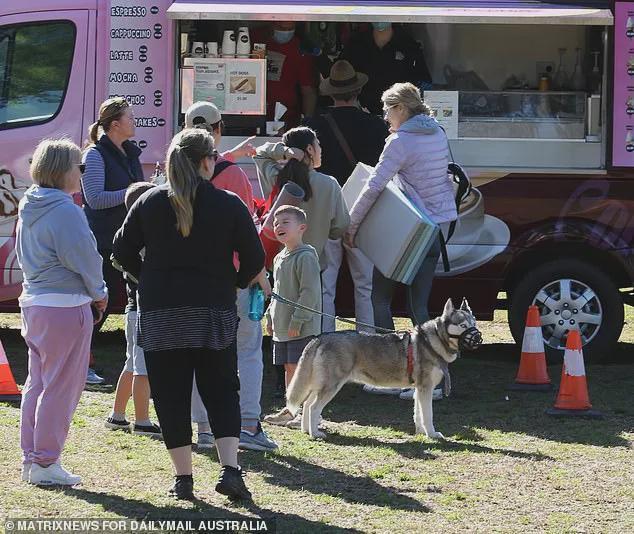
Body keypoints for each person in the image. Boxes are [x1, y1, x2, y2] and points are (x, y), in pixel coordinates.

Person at [113, 128, 263, 501]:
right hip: (213, 310)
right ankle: (230, 469)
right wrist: (235, 282)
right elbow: (256, 259)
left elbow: (120, 251)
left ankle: (184, 478)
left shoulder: (148, 202)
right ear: (207, 161)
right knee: (222, 389)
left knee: (171, 394)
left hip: (163, 312)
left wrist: (145, 278)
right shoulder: (229, 204)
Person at [344, 82, 457, 399]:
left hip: (407, 233)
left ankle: (387, 375)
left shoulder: (400, 142)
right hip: (434, 231)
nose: (384, 117)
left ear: (401, 110)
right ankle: (434, 380)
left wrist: (351, 226)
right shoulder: (437, 132)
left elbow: (374, 186)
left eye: (387, 110)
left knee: (380, 299)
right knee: (419, 306)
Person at [183, 102, 277, 453]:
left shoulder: (173, 174)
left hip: (191, 280)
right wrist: (258, 272)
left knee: (199, 354)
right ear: (218, 129)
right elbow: (249, 230)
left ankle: (205, 427)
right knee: (247, 351)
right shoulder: (234, 176)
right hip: (234, 276)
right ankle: (249, 425)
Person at [16, 139, 108, 486]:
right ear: (62, 170)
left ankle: (34, 459)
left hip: (36, 303)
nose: (82, 174)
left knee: (37, 384)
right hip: (65, 306)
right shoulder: (65, 209)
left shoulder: (30, 202)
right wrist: (99, 293)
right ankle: (45, 462)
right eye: (78, 167)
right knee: (59, 388)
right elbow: (84, 257)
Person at [306, 60, 390, 333]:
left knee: (326, 284)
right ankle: (366, 342)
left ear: (330, 93)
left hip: (325, 210)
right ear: (357, 92)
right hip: (362, 210)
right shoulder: (376, 126)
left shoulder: (313, 126)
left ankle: (326, 340)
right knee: (364, 285)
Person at [82, 97, 144, 385]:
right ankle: (80, 364)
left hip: (130, 240)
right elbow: (94, 199)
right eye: (130, 117)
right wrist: (132, 191)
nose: (134, 121)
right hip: (104, 241)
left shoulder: (131, 152)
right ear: (115, 124)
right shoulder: (94, 155)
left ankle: (141, 366)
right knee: (98, 305)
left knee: (134, 303)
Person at [105, 182, 161, 437]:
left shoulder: (128, 234)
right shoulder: (141, 238)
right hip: (141, 310)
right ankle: (142, 421)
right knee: (144, 368)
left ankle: (117, 416)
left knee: (132, 363)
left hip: (132, 310)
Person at [253, 126, 349, 268]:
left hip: (279, 264)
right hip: (312, 264)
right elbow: (340, 227)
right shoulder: (329, 184)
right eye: (318, 144)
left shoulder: (277, 177)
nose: (321, 150)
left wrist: (286, 152)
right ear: (310, 149)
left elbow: (260, 153)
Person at [263, 206, 321, 427]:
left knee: (301, 368)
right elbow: (277, 292)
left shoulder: (305, 257)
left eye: (285, 222)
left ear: (301, 228)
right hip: (282, 327)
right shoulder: (279, 258)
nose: (279, 226)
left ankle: (309, 413)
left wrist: (297, 320)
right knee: (288, 367)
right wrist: (270, 316)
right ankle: (291, 410)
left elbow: (309, 292)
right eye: (276, 223)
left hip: (300, 326)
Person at [341, 23, 432, 115]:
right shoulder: (356, 43)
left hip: (400, 115)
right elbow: (343, 77)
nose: (380, 17)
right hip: (362, 114)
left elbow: (423, 81)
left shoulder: (408, 44)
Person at [252, 22, 317, 128]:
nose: (286, 32)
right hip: (251, 113)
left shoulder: (300, 50)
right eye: (281, 28)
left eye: (290, 28)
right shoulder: (255, 38)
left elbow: (308, 91)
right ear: (272, 24)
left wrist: (307, 121)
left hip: (287, 117)